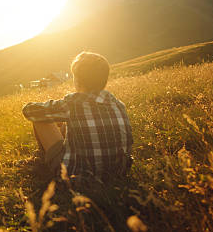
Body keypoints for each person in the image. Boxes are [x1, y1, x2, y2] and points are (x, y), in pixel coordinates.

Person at [22, 52, 133, 183]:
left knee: (40, 119)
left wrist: (54, 116)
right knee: (65, 125)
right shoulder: (118, 104)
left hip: (77, 175)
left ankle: (43, 161)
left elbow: (29, 111)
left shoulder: (73, 103)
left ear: (77, 80)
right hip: (119, 173)